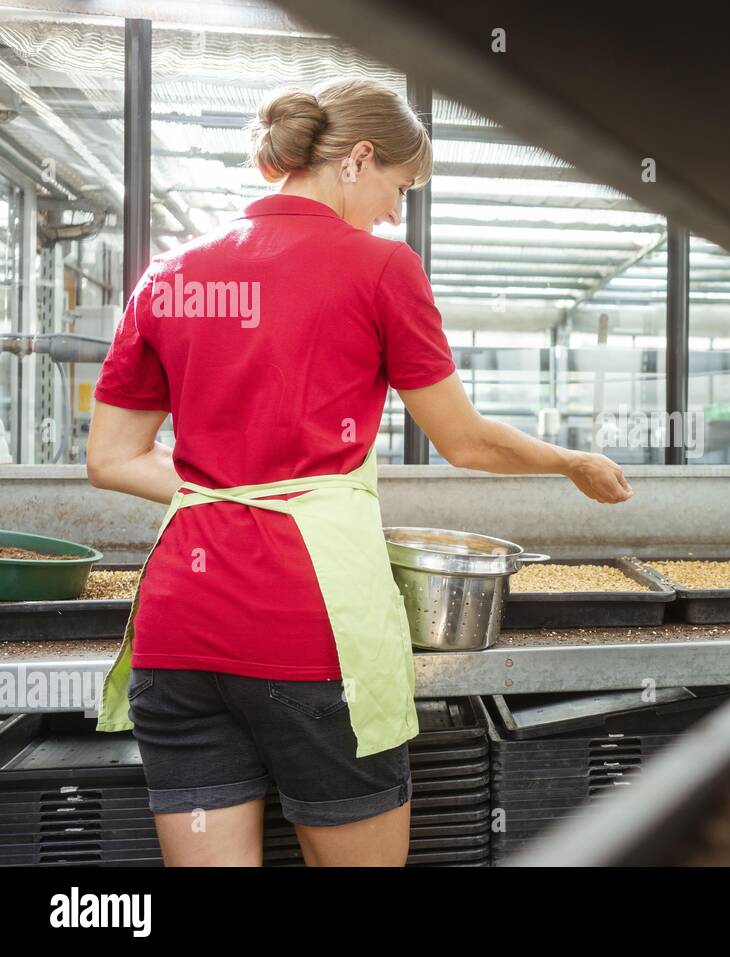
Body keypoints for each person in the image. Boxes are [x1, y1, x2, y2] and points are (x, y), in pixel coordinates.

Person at [84, 78, 631, 867]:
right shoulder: (380, 269)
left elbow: (110, 458)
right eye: (398, 188)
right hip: (309, 627)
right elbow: (465, 441)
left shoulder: (170, 274)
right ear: (359, 158)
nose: (394, 212)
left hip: (180, 632)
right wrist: (571, 460)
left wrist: (232, 494)